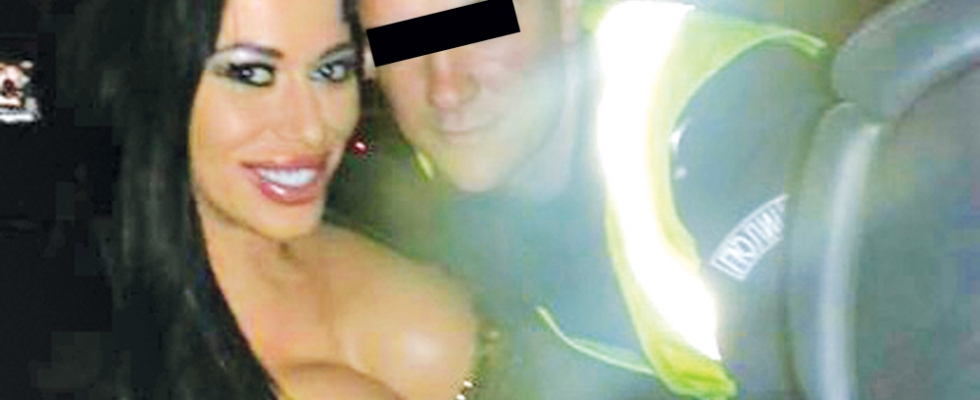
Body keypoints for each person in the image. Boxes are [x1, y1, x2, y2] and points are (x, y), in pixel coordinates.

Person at [332, 0, 836, 398]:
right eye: (401, 45)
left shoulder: (729, 118)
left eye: (479, 27)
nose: (446, 90)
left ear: (567, 8)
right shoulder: (442, 184)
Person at [60, 0, 495, 398]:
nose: (311, 128)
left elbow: (495, 23)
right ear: (144, 85)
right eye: (251, 75)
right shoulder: (65, 337)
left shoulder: (403, 214)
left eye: (331, 71)